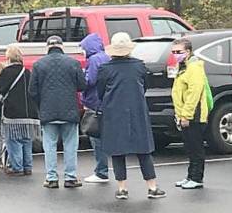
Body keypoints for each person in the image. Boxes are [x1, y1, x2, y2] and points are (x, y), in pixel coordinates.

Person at [97, 33, 166, 199]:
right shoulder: (139, 66)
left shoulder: (105, 69)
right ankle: (152, 186)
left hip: (114, 112)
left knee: (117, 150)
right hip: (137, 111)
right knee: (144, 149)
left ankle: (122, 188)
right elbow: (145, 86)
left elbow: (100, 92)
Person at [29, 35, 85, 189]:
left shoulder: (39, 65)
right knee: (70, 145)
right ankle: (70, 177)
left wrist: (41, 103)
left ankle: (51, 178)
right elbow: (82, 85)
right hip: (69, 110)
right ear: (62, 46)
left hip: (48, 110)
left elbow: (32, 91)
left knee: (50, 145)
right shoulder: (73, 63)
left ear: (47, 47)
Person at [172, 37, 212, 190]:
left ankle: (196, 178)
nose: (176, 54)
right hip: (184, 113)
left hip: (194, 114)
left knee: (196, 147)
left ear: (188, 51)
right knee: (189, 146)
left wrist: (186, 115)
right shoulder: (183, 67)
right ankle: (190, 176)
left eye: (179, 52)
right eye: (174, 52)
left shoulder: (194, 67)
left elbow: (193, 93)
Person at [0, 45, 39, 176]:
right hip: (29, 113)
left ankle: (17, 167)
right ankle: (28, 166)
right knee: (27, 139)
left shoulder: (5, 74)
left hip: (12, 114)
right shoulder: (28, 73)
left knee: (13, 140)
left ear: (8, 58)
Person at [79, 33, 112, 184]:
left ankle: (101, 171)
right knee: (107, 137)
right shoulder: (106, 57)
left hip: (94, 103)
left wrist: (80, 78)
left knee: (95, 136)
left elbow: (89, 80)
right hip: (106, 102)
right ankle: (108, 170)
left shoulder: (93, 60)